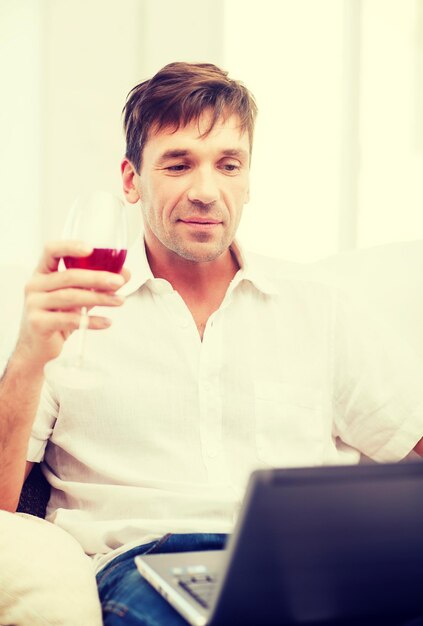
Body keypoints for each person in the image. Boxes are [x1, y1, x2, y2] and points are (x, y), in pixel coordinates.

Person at [0, 61, 423, 626]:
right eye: (178, 164)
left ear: (247, 179)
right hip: (145, 568)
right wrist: (29, 356)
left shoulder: (319, 306)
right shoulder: (67, 308)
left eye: (228, 165)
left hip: (308, 571)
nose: (206, 191)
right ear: (131, 180)